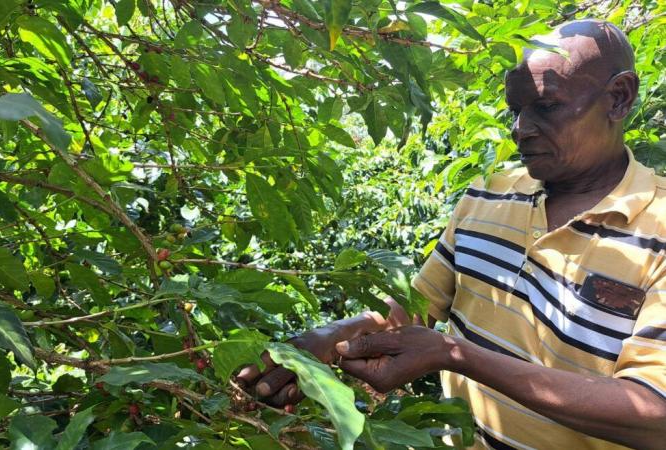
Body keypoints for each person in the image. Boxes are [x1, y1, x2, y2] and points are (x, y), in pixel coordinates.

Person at [238, 19, 666, 449]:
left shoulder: (660, 227)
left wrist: (453, 354)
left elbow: (654, 415)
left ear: (619, 98)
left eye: (547, 106)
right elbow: (420, 306)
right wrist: (334, 337)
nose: (521, 129)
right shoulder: (488, 193)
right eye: (514, 110)